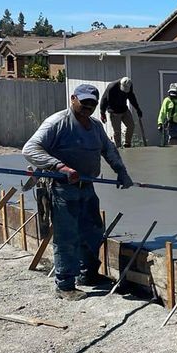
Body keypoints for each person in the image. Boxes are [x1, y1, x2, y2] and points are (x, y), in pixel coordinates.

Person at [23, 84, 133, 300]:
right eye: (84, 103)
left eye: (92, 104)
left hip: (87, 188)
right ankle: (65, 285)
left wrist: (121, 172)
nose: (88, 107)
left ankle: (88, 275)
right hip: (63, 189)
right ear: (73, 99)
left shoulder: (95, 126)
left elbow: (108, 149)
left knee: (92, 231)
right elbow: (30, 149)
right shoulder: (57, 123)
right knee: (67, 236)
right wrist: (59, 167)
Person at [100, 77, 143, 148]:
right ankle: (118, 147)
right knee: (117, 131)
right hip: (114, 112)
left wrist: (137, 108)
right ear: (120, 84)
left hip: (124, 109)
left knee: (131, 125)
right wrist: (102, 113)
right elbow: (104, 100)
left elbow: (132, 97)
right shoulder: (112, 87)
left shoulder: (129, 85)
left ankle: (127, 144)